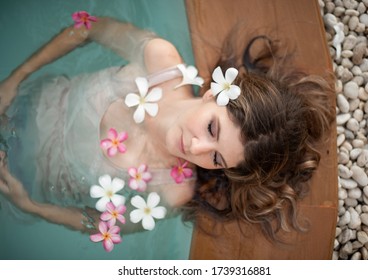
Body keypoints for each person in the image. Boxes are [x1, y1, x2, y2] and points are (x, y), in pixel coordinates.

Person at [0, 15, 334, 244]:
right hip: (27, 105)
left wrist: (30, 205)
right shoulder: (160, 61)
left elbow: (100, 223)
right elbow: (88, 26)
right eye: (211, 127)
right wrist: (15, 78)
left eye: (216, 157)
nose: (195, 148)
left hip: (28, 175)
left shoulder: (173, 192)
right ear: (213, 93)